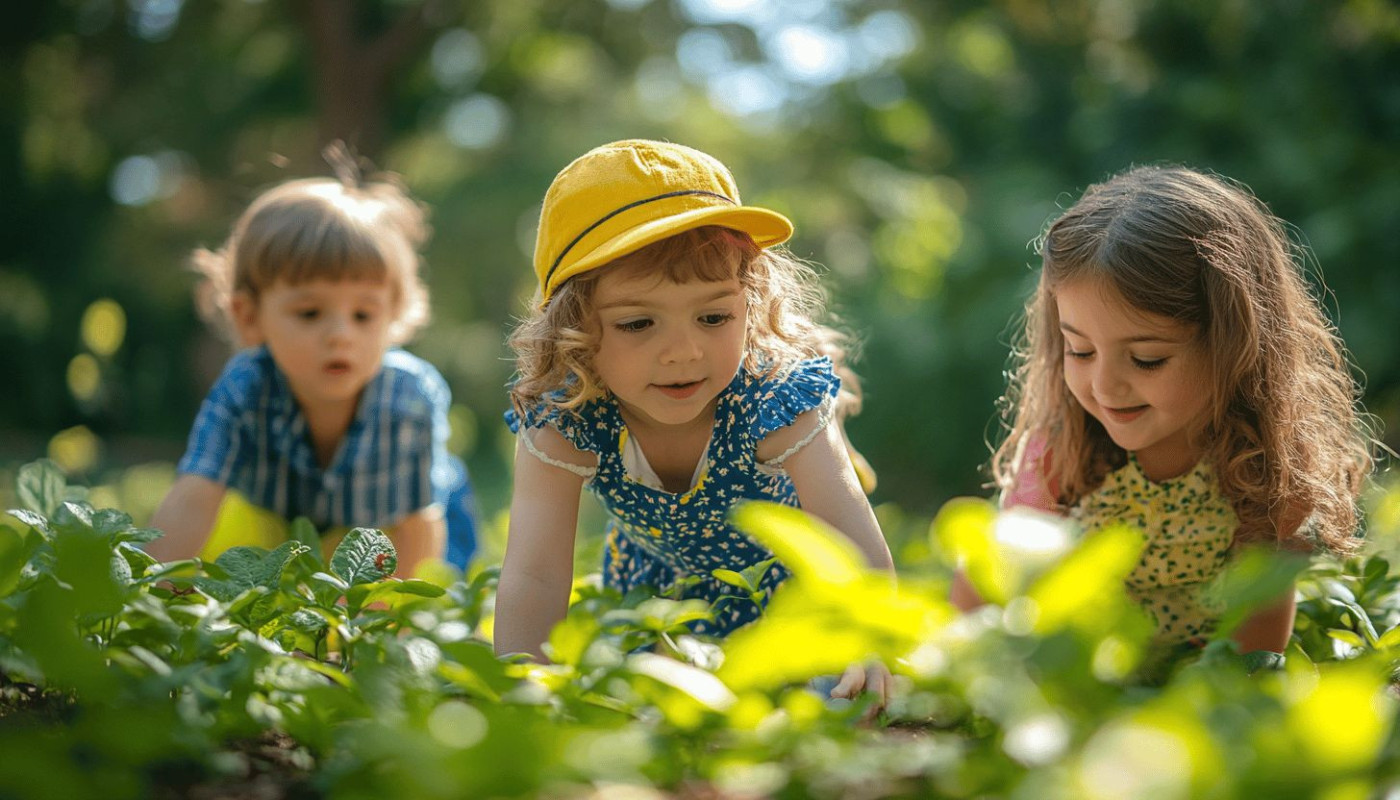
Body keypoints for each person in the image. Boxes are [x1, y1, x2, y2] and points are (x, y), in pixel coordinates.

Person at [494, 139, 894, 702]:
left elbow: (849, 547)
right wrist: (522, 691)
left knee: (817, 702)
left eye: (713, 317)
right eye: (638, 324)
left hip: (792, 600)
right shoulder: (566, 419)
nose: (684, 352)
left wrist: (866, 645)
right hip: (658, 605)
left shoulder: (775, 400)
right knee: (650, 712)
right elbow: (535, 574)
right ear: (573, 329)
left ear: (751, 303)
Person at [956, 165, 1373, 657]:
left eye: (1147, 359)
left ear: (1233, 347)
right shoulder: (1058, 454)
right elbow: (989, 586)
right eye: (1080, 351)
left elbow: (1258, 643)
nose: (1104, 385)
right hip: (1078, 674)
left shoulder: (1268, 468)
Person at [146, 151, 478, 577]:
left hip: (399, 522)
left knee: (446, 579)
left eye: (363, 315)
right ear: (249, 317)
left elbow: (416, 530)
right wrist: (147, 589)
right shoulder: (247, 387)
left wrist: (384, 613)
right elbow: (193, 497)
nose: (340, 334)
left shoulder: (408, 397)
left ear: (393, 317)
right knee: (240, 555)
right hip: (286, 520)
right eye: (309, 313)